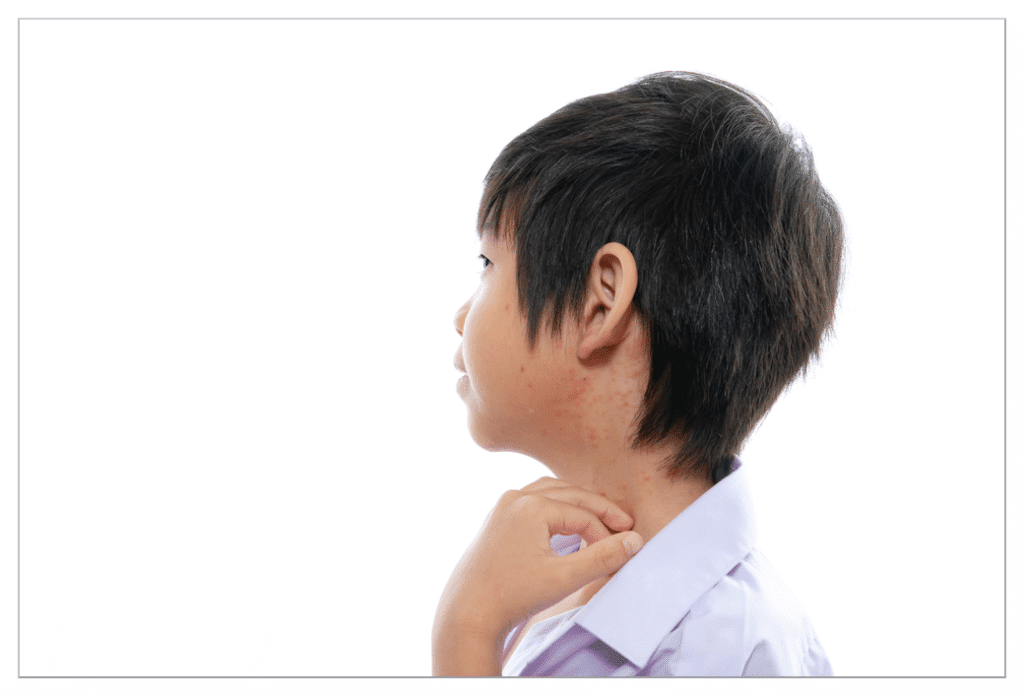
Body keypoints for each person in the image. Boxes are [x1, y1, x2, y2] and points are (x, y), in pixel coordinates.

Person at [433, 71, 843, 677]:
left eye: (488, 261)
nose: (462, 314)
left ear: (600, 302)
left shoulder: (724, 651)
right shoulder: (555, 567)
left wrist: (464, 633)